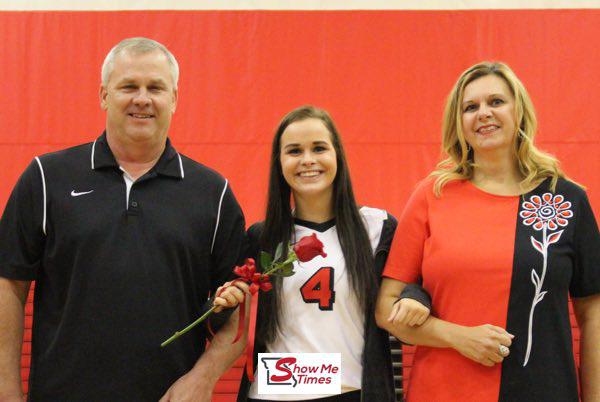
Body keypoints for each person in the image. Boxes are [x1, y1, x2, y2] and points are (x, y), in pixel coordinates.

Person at [0, 37, 247, 402]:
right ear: (103, 95)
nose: (142, 99)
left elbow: (240, 312)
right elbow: (9, 285)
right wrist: (6, 390)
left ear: (175, 98)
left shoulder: (214, 194)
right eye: (129, 86)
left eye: (156, 88)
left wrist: (203, 377)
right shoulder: (45, 177)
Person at [376, 61, 600, 401]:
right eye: (470, 107)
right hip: (442, 392)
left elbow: (592, 313)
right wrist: (458, 337)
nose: (483, 113)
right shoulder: (431, 195)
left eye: (496, 102)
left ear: (519, 111)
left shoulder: (566, 200)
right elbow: (386, 310)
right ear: (458, 122)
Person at [217, 105, 431, 402]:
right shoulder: (261, 237)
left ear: (337, 156)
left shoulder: (378, 227)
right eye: (294, 151)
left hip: (353, 390)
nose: (308, 160)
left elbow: (418, 284)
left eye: (319, 148)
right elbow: (226, 321)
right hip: (275, 392)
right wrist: (221, 303)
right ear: (279, 163)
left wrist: (415, 298)